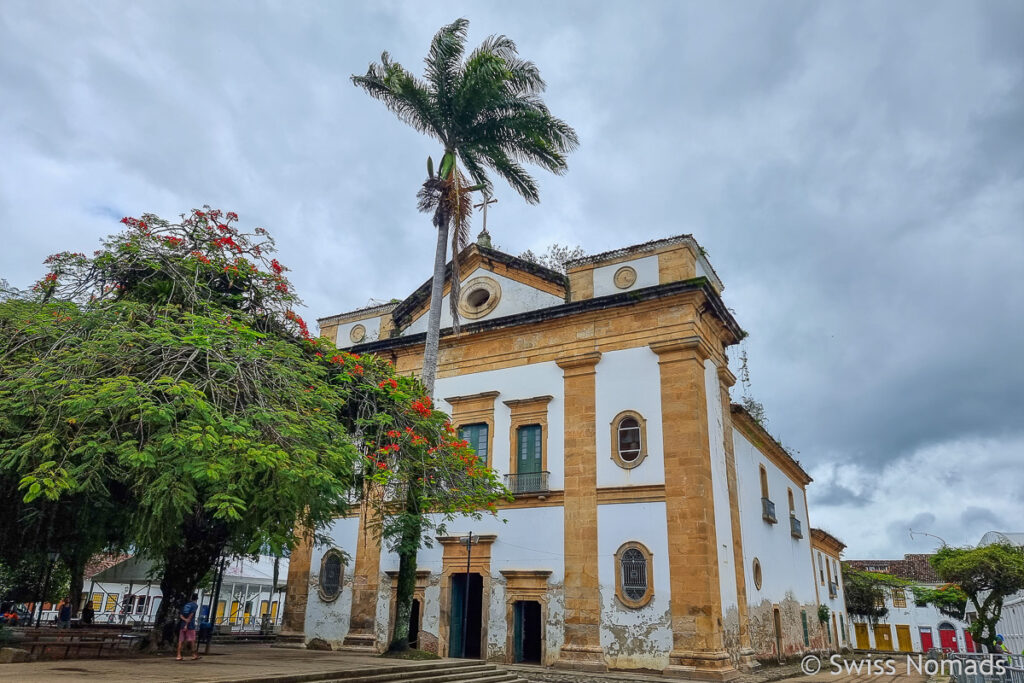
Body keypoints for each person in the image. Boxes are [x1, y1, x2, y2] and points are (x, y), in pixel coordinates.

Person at [176, 593, 200, 661]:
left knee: (181, 640)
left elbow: (181, 615)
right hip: (190, 625)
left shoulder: (186, 605)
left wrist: (184, 620)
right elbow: (191, 615)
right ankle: (193, 654)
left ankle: (178, 655)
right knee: (192, 640)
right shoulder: (195, 605)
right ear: (197, 599)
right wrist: (187, 623)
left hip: (182, 624)